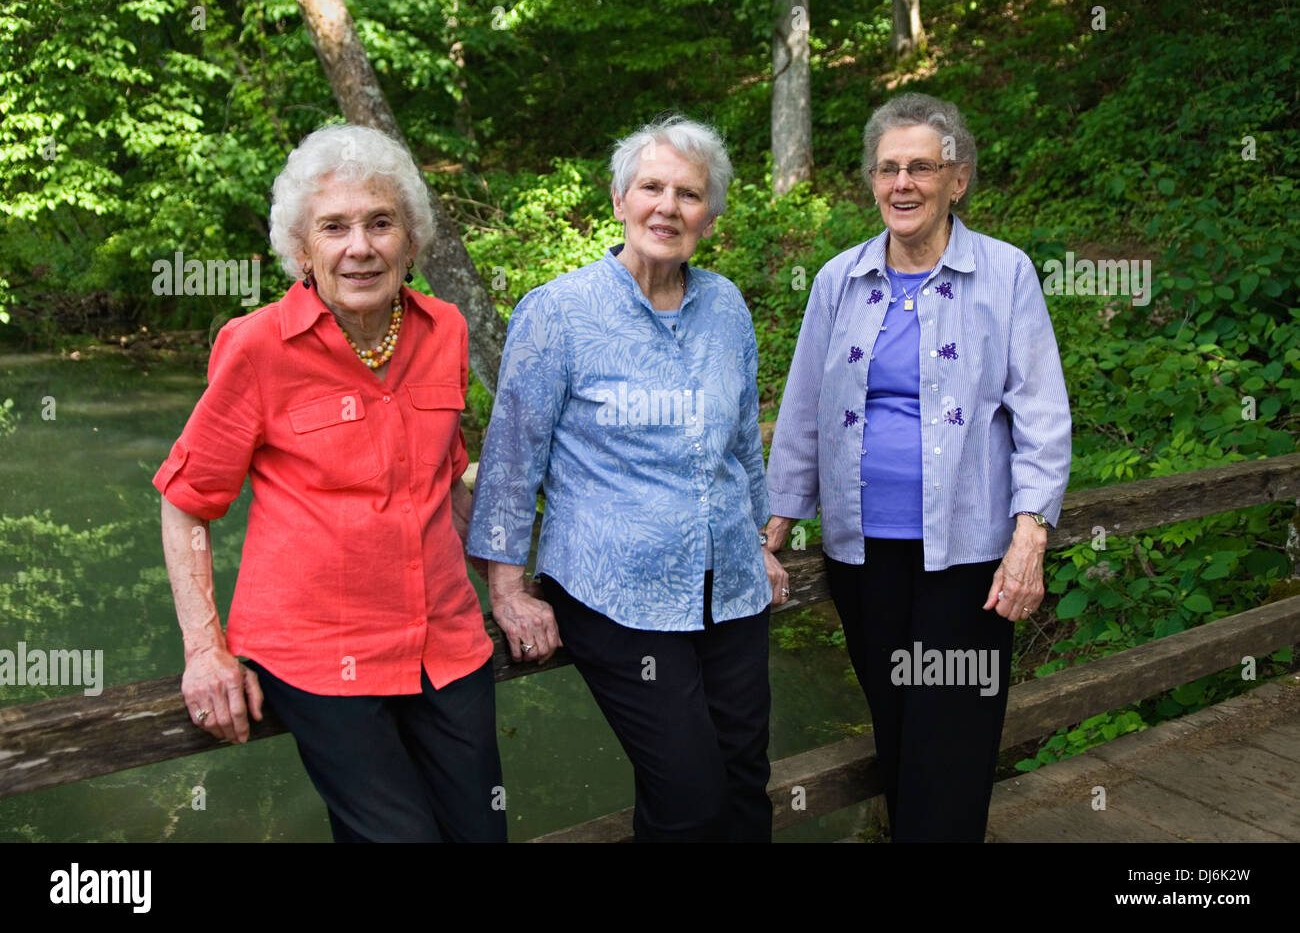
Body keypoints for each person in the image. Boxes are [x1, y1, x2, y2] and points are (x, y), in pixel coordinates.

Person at [155, 123, 506, 843]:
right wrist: (204, 648)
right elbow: (187, 502)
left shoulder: (444, 330)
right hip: (318, 652)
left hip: (446, 640)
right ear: (301, 250)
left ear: (410, 240)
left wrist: (508, 586)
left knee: (483, 833)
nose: (360, 246)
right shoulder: (255, 347)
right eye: (335, 227)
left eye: (381, 223)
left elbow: (449, 482)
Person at [467, 115, 788, 842]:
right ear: (619, 200)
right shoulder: (559, 313)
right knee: (689, 796)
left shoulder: (727, 308)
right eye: (652, 187)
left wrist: (761, 538)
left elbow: (740, 441)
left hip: (730, 584)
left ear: (710, 214)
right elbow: (514, 457)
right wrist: (508, 586)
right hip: (618, 593)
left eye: (689, 193)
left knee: (744, 782)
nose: (668, 206)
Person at [765, 92, 1072, 842]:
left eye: (921, 168)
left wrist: (1030, 531)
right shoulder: (838, 280)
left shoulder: (1004, 275)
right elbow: (804, 405)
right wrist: (775, 521)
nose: (903, 184)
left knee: (952, 745)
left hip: (966, 558)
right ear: (872, 181)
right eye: (887, 168)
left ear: (956, 179)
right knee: (899, 731)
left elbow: (1041, 412)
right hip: (863, 557)